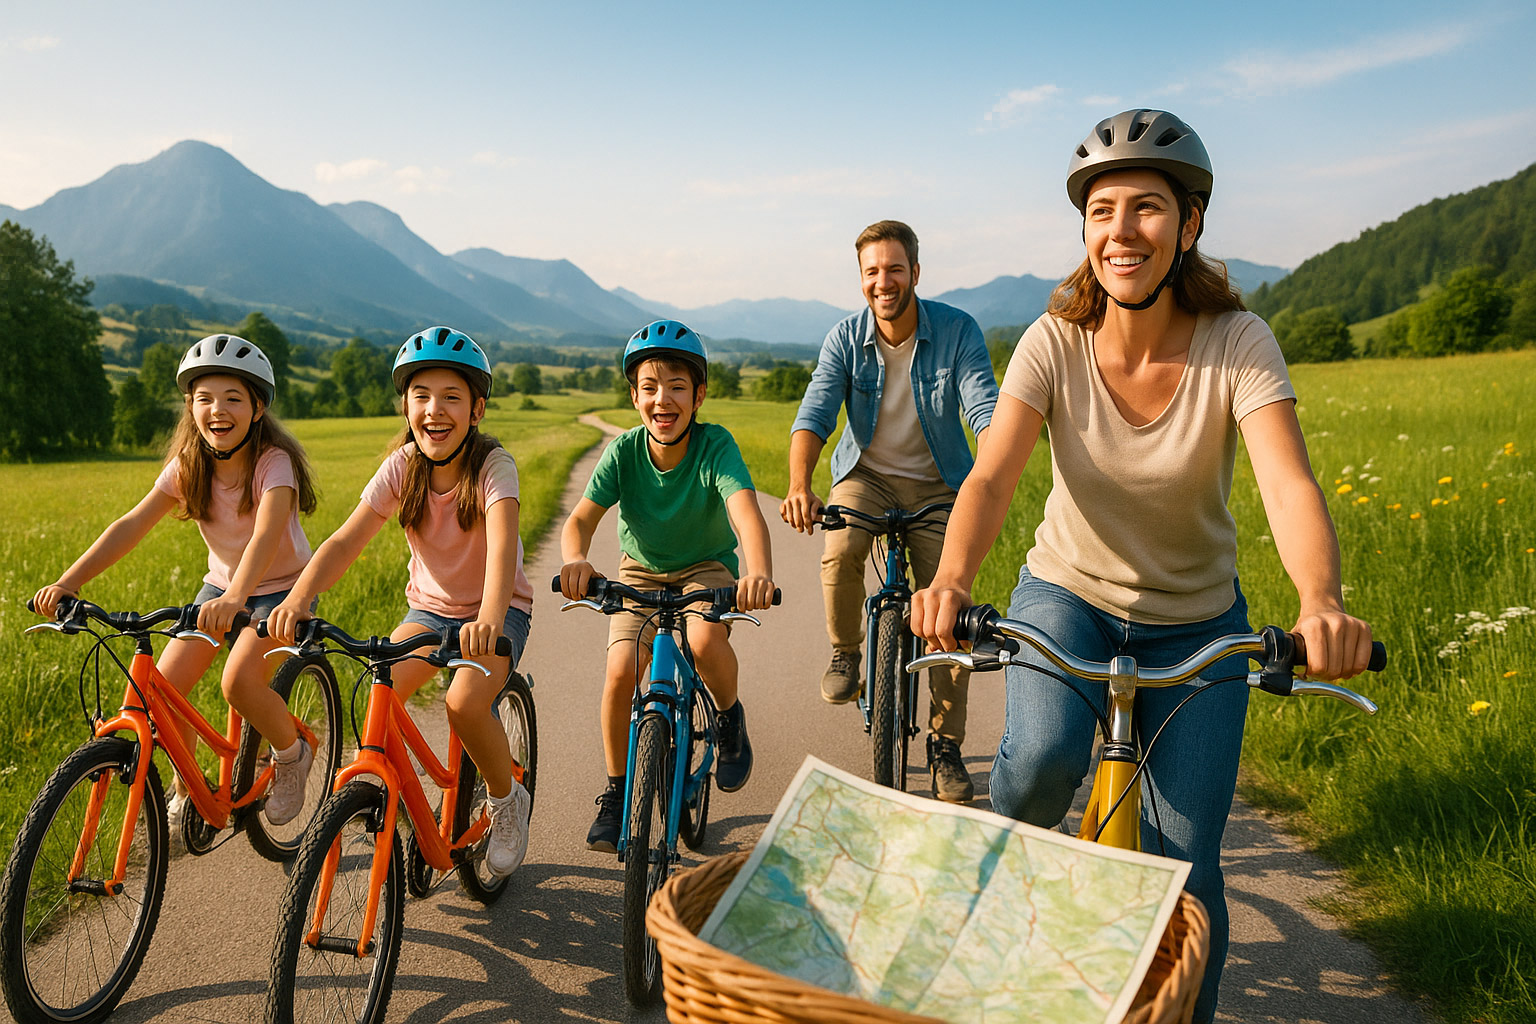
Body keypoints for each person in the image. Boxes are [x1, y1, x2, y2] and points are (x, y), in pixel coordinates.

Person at [910, 109, 1376, 1022]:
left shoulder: (1238, 340)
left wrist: (1320, 602)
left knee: (1186, 872)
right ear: (1084, 230)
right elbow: (993, 476)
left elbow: (1287, 484)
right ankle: (1007, 888)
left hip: (1197, 620)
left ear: (1189, 224)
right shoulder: (1054, 340)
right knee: (1040, 763)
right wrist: (952, 582)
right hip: (1068, 594)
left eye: (1147, 208)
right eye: (1102, 211)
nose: (1121, 231)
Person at [267, 326, 534, 877]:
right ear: (406, 406)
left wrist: (489, 618)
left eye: (451, 397)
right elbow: (346, 540)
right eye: (421, 396)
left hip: (497, 611)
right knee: (381, 691)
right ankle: (401, 806)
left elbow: (503, 548)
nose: (435, 410)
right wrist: (299, 596)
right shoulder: (403, 466)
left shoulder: (493, 466)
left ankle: (507, 799)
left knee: (464, 704)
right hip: (430, 611)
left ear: (477, 409)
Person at [33, 334, 320, 826]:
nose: (218, 410)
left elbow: (266, 535)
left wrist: (237, 596)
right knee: (161, 690)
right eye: (205, 399)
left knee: (238, 683)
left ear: (257, 408)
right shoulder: (189, 465)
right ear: (191, 406)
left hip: (282, 591)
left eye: (233, 398)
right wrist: (68, 582)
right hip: (221, 589)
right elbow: (131, 524)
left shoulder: (274, 462)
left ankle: (292, 754)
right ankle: (189, 787)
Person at [781, 220, 998, 803]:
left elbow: (984, 408)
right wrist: (800, 484)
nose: (883, 282)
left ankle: (945, 745)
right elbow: (815, 414)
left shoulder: (956, 331)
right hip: (866, 478)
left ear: (915, 273)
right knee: (841, 548)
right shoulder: (844, 339)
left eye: (894, 269)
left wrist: (991, 472)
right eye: (872, 272)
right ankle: (846, 651)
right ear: (861, 279)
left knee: (947, 609)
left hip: (939, 485)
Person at [557, 319, 776, 853]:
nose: (663, 400)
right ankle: (616, 791)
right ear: (634, 397)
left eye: (677, 387)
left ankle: (728, 717)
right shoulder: (624, 452)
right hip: (639, 572)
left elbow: (745, 513)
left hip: (706, 566)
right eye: (650, 388)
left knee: (703, 641)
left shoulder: (714, 445)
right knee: (620, 671)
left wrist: (757, 571)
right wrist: (575, 560)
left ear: (699, 396)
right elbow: (580, 520)